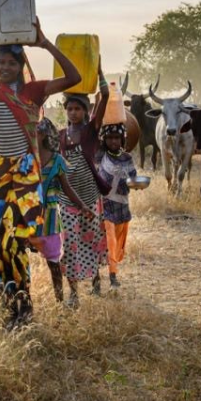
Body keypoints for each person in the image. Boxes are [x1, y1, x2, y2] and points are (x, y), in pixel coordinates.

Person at [0, 20, 82, 327]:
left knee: (14, 237)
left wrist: (45, 44)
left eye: (12, 62)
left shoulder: (34, 91)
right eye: (0, 62)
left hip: (26, 177)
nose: (5, 67)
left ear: (21, 65)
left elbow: (74, 77)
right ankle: (8, 304)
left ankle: (20, 307)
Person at [31, 118, 97, 303]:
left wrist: (82, 206)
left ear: (43, 135)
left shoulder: (57, 160)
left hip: (50, 219)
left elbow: (67, 188)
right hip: (28, 218)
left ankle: (59, 301)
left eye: (34, 132)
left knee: (54, 264)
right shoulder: (28, 159)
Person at [60, 92, 110, 308]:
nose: (73, 113)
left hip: (90, 197)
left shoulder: (90, 132)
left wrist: (98, 72)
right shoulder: (60, 136)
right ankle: (73, 293)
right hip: (67, 199)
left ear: (85, 111)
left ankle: (96, 277)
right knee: (70, 244)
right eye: (70, 109)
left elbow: (105, 96)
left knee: (91, 239)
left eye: (78, 109)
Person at [96, 123, 137, 288]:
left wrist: (133, 182)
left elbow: (133, 178)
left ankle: (113, 268)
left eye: (117, 138)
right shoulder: (99, 157)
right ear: (104, 140)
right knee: (110, 241)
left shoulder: (127, 158)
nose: (113, 141)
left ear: (122, 139)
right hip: (105, 206)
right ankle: (112, 276)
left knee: (119, 244)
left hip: (122, 206)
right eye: (110, 138)